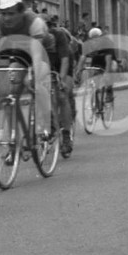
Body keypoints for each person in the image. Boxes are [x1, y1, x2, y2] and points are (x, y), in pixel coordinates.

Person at [0, 0, 53, 138]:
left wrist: (35, 77)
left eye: (11, 13)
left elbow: (37, 54)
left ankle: (47, 118)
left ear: (21, 11)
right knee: (10, 91)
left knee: (32, 83)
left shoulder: (34, 22)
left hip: (43, 51)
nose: (7, 18)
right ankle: (14, 141)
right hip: (20, 53)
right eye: (3, 13)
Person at [42, 14, 75, 155]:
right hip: (46, 66)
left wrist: (61, 81)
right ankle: (49, 124)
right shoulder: (33, 36)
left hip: (62, 64)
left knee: (62, 95)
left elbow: (65, 61)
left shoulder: (59, 35)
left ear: (49, 27)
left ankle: (66, 135)